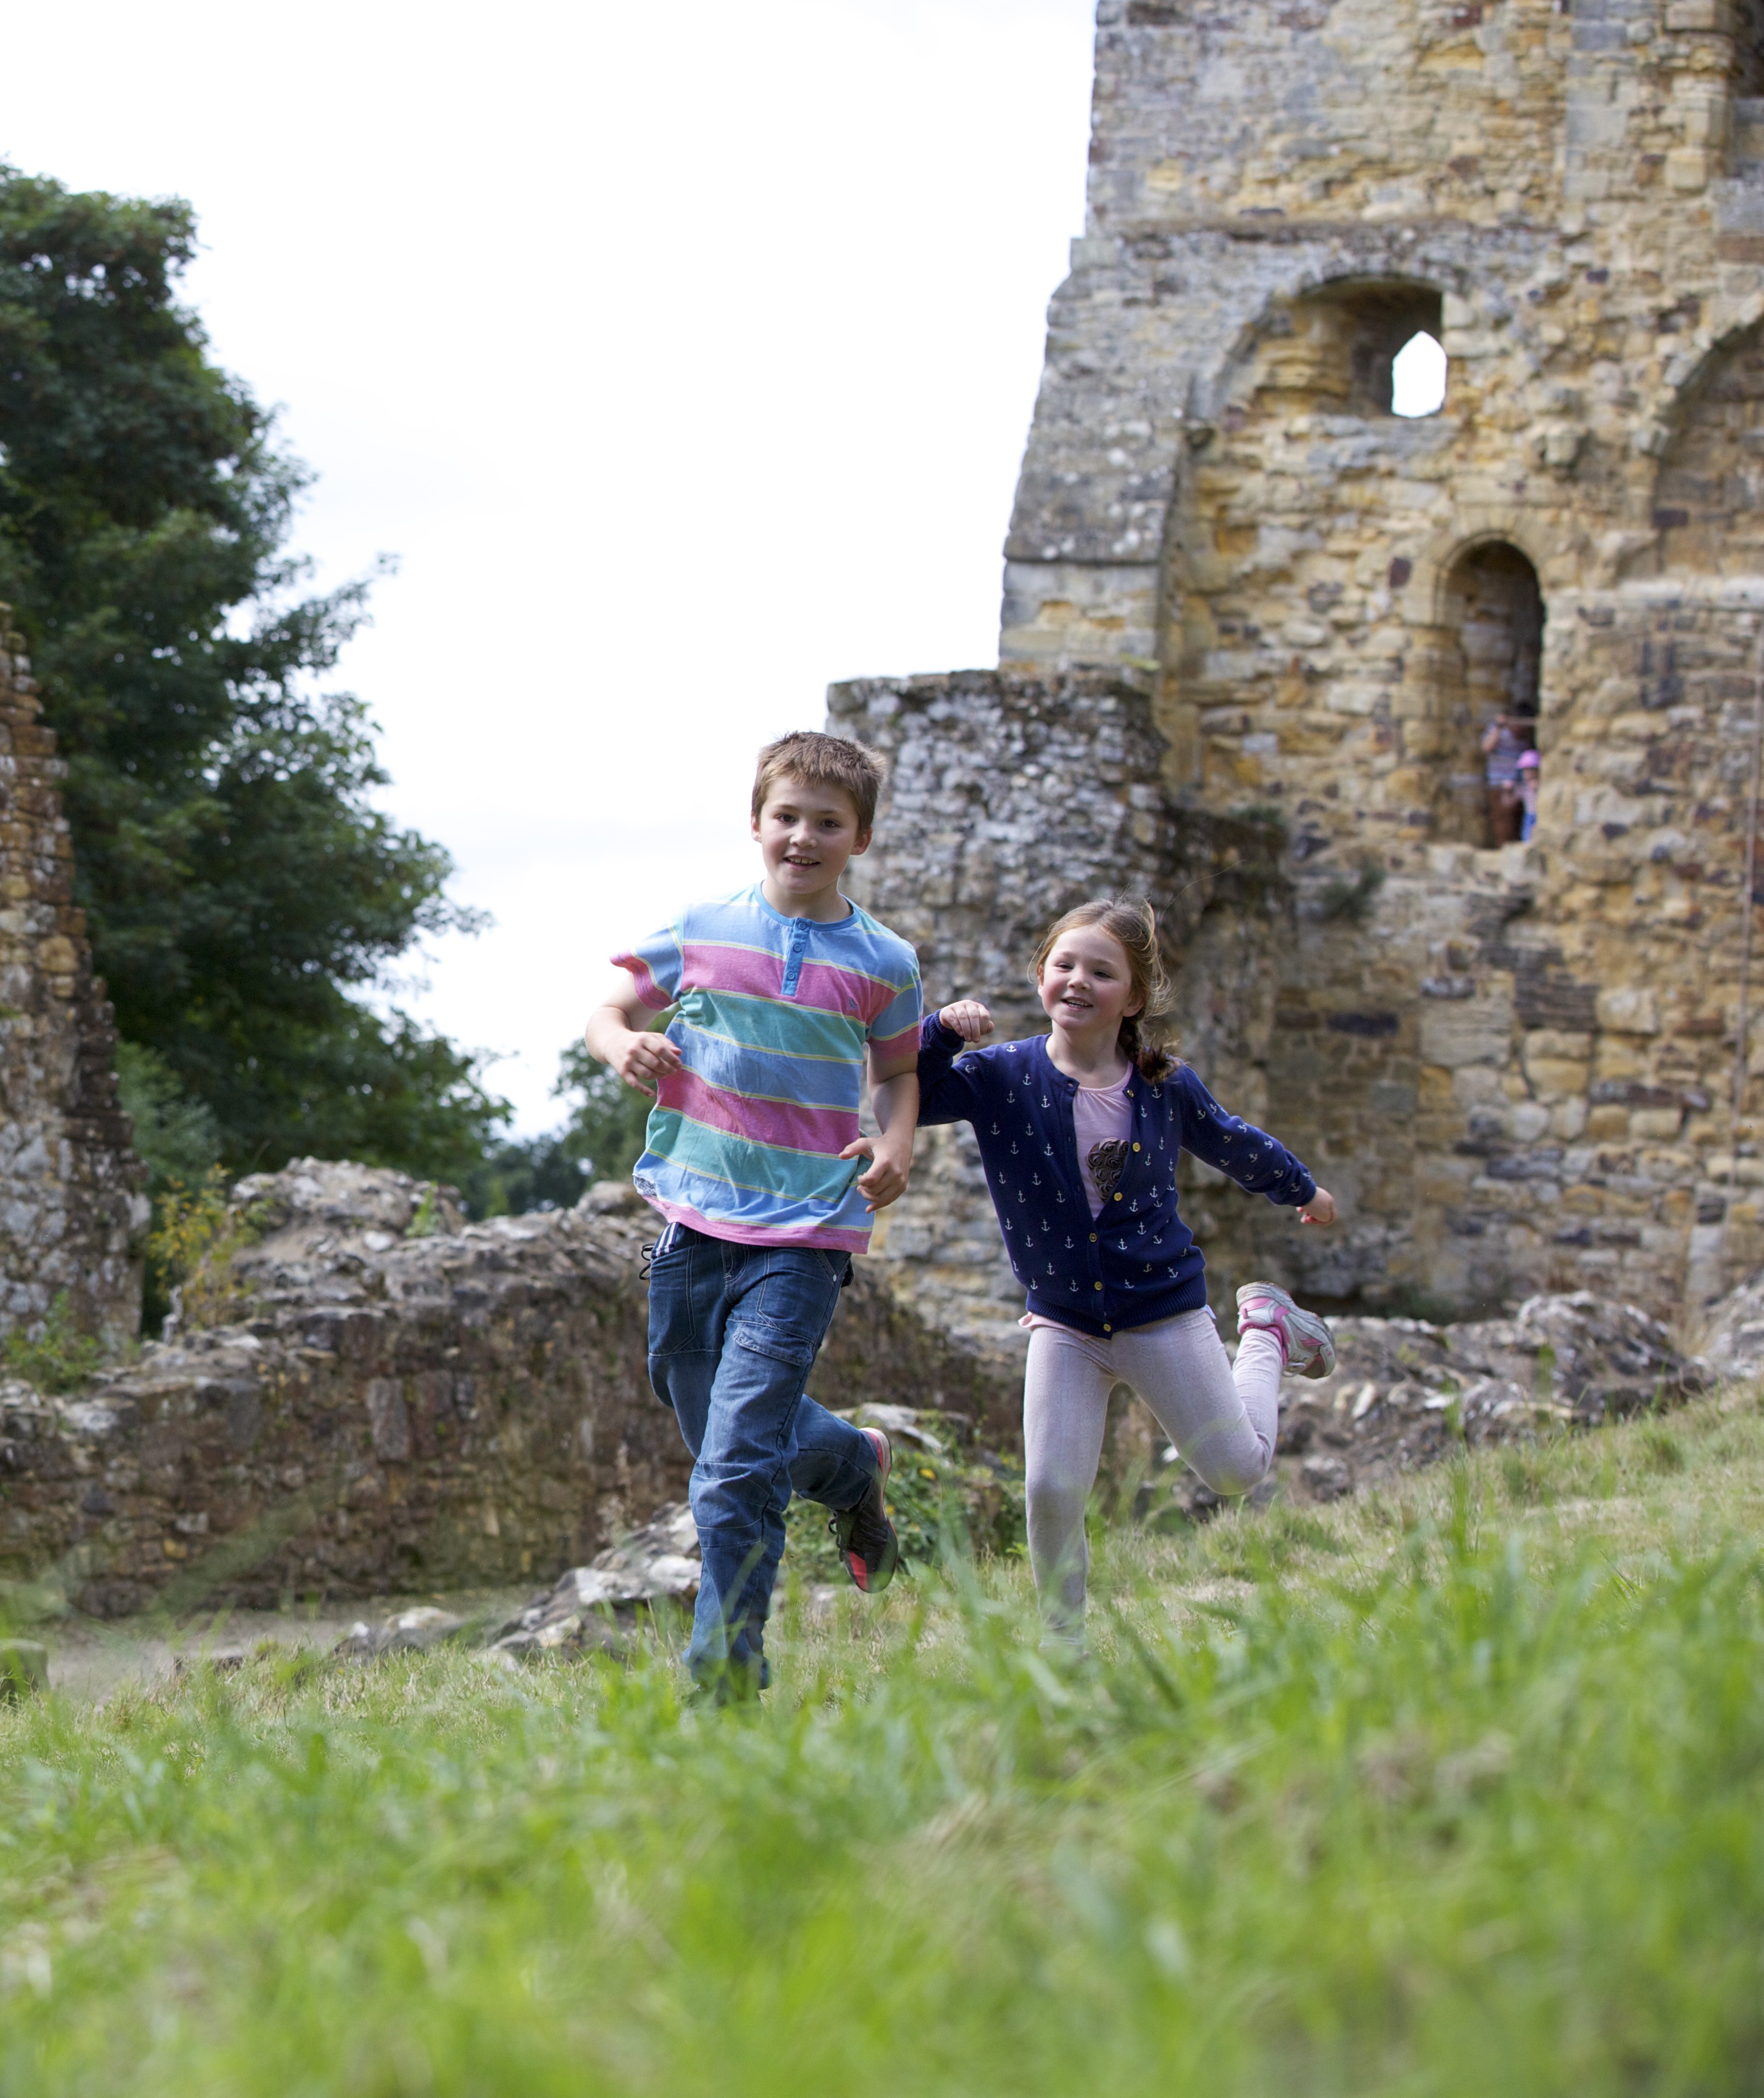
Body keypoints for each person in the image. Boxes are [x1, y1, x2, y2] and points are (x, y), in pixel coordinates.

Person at [583, 732, 922, 1697]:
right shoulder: (699, 927)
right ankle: (851, 1465)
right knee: (714, 1429)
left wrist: (895, 1144)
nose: (802, 837)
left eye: (827, 823)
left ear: (859, 837)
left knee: (732, 1470)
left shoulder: (885, 961)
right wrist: (623, 1048)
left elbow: (898, 1075)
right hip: (692, 1224)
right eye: (787, 817)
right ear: (754, 822)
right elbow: (609, 1010)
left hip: (805, 1237)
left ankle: (722, 1685)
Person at [917, 898, 1337, 1646]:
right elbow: (912, 1092)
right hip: (1065, 1323)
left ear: (1133, 998)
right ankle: (1064, 1648)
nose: (1078, 980)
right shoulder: (1000, 1076)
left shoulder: (1163, 1084)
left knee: (1235, 1472)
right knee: (1050, 1488)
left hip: (1161, 1312)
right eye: (1064, 965)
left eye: (1101, 972)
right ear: (1041, 976)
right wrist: (940, 1031)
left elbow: (1232, 1142)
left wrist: (1301, 1189)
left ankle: (1267, 1329)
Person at [1482, 712, 1527, 845]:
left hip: (1518, 783)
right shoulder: (1499, 732)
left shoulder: (1524, 737)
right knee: (1501, 818)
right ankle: (1503, 848)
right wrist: (1498, 728)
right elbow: (1486, 747)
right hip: (1499, 782)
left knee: (1518, 819)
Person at [1518, 746, 1540, 842]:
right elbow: (1508, 801)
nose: (1527, 774)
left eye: (1530, 770)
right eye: (1525, 770)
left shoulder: (1541, 786)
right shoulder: (1524, 786)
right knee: (1526, 839)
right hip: (1528, 817)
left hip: (1539, 816)